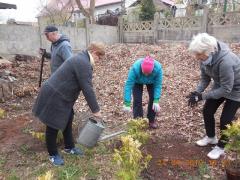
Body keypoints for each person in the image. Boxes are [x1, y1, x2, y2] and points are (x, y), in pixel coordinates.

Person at [33, 42, 105, 166]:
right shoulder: (83, 62)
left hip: (62, 96)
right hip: (54, 95)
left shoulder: (82, 59)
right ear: (93, 52)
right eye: (99, 57)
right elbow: (87, 88)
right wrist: (96, 110)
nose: (99, 60)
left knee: (68, 118)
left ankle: (69, 147)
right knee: (53, 125)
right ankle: (53, 155)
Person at [187, 33, 240, 160]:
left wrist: (202, 96)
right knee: (207, 110)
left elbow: (227, 89)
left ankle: (221, 147)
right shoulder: (204, 59)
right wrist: (197, 92)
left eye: (199, 54)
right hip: (220, 84)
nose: (197, 57)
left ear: (209, 51)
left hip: (237, 89)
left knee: (225, 120)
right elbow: (205, 79)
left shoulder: (226, 61)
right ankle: (211, 137)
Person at [123, 55, 163, 129]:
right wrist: (127, 102)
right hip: (137, 82)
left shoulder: (158, 69)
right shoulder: (135, 68)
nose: (146, 75)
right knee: (137, 99)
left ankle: (151, 120)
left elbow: (158, 85)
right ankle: (138, 121)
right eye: (144, 72)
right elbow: (128, 85)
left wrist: (156, 100)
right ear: (141, 68)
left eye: (148, 73)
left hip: (152, 82)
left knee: (153, 98)